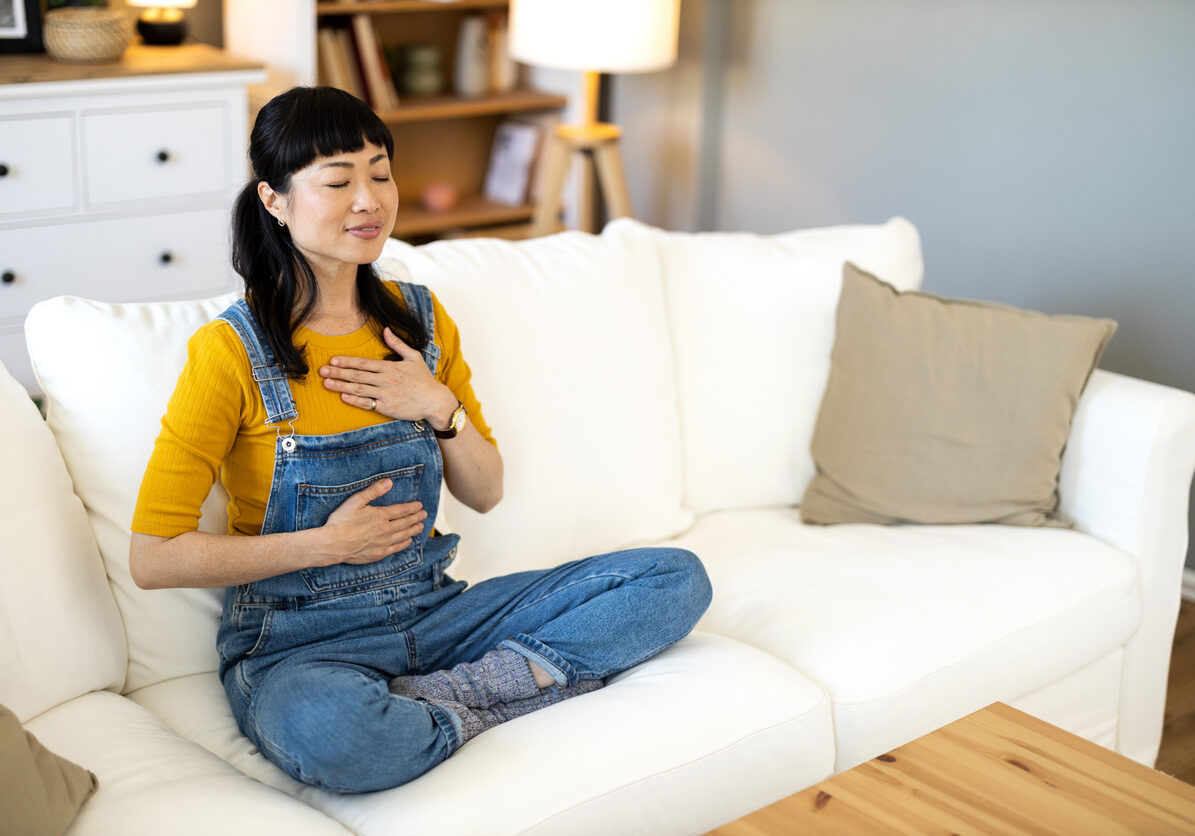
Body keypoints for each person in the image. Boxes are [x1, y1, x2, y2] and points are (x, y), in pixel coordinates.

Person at [128, 86, 711, 794]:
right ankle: (505, 693)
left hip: (435, 614)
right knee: (337, 735)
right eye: (338, 180)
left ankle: (459, 693)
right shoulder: (229, 352)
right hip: (301, 644)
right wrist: (324, 546)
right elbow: (153, 558)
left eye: (379, 172)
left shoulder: (421, 322)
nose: (368, 200)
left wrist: (438, 405)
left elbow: (486, 492)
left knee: (673, 581)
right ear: (274, 202)